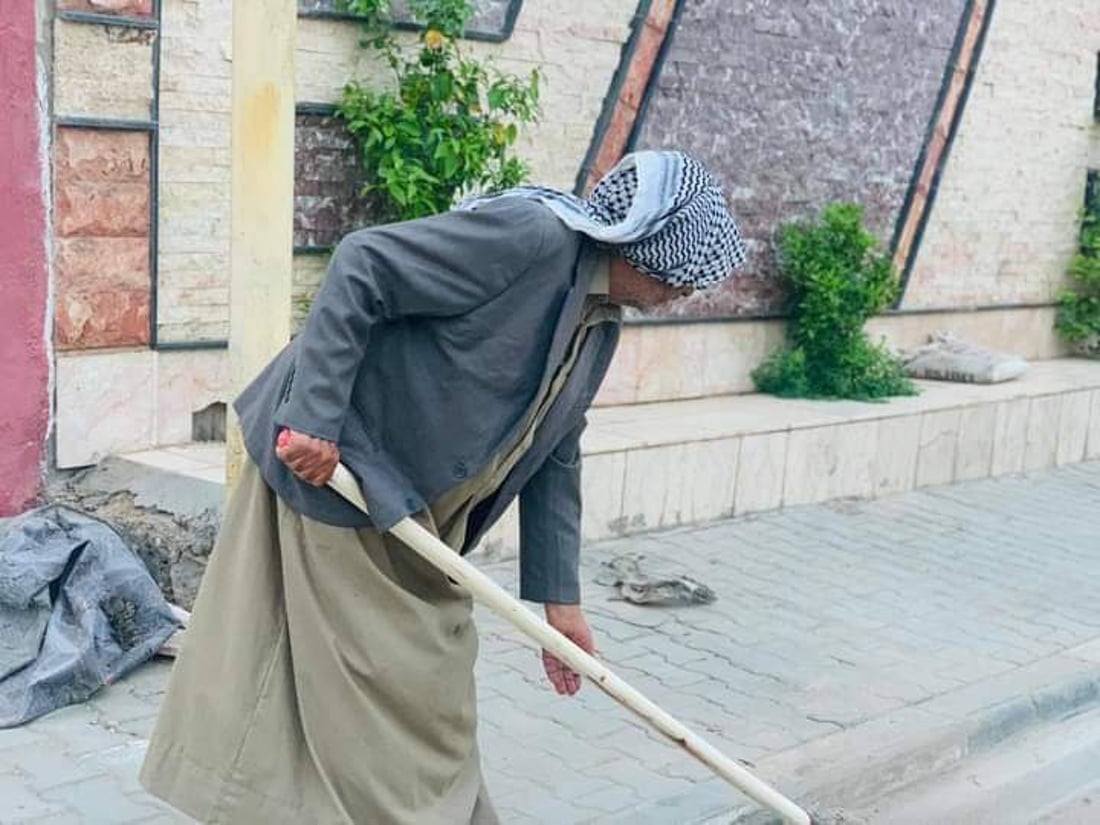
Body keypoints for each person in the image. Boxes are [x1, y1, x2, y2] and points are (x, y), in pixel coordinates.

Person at [140, 150, 746, 824]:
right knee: (392, 691)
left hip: (417, 514)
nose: (682, 294)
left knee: (418, 683)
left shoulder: (599, 317)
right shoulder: (532, 240)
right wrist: (313, 414)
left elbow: (556, 446)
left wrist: (560, 602)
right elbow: (362, 262)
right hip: (346, 477)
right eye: (678, 279)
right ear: (647, 246)